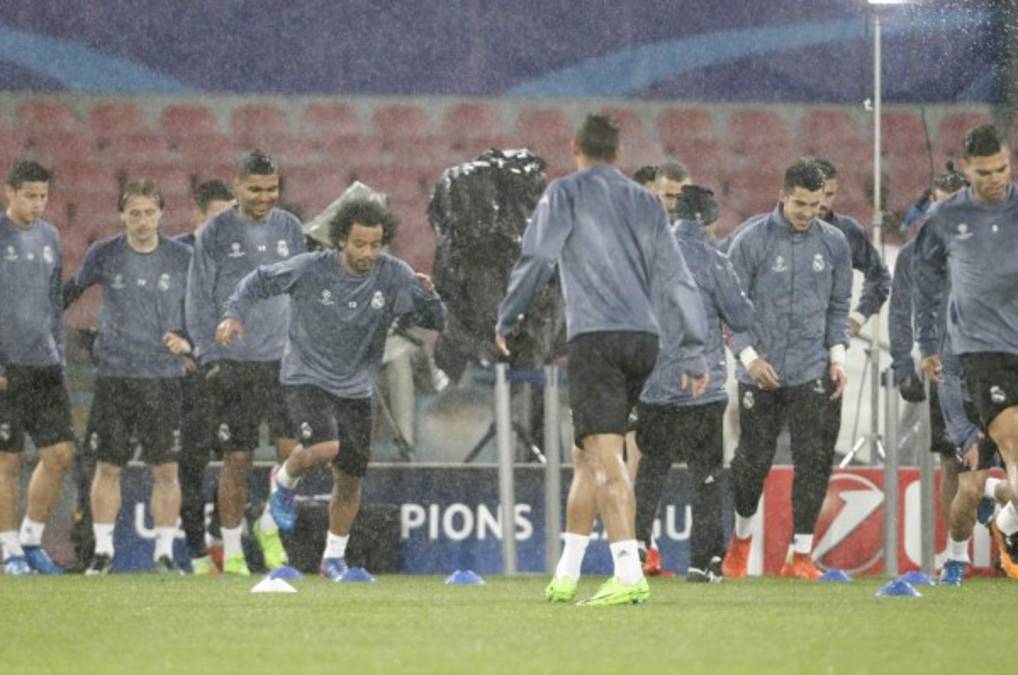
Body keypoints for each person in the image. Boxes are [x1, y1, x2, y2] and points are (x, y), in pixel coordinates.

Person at [495, 113, 709, 606]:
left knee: (608, 458)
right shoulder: (646, 201)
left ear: (575, 148)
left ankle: (628, 572)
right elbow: (676, 275)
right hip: (643, 339)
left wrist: (509, 314)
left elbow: (538, 257)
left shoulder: (565, 193)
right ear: (618, 154)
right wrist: (694, 348)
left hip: (597, 338)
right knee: (587, 456)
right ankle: (567, 572)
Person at [219, 197, 446, 580]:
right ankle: (283, 479)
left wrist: (430, 297)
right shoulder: (311, 268)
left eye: (375, 245)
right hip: (306, 377)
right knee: (326, 447)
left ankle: (333, 558)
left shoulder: (393, 273)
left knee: (351, 477)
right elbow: (259, 280)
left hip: (356, 387)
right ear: (341, 240)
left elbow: (434, 321)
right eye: (359, 244)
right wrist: (234, 314)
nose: (368, 253)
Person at [722, 158, 852, 580]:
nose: (808, 212)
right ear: (782, 196)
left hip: (811, 370)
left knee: (813, 461)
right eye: (800, 204)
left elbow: (838, 307)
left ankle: (801, 556)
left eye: (816, 204)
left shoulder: (834, 243)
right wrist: (750, 359)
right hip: (760, 374)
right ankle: (741, 541)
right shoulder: (750, 242)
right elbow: (729, 311)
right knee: (752, 462)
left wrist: (837, 358)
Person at [185, 150, 305, 576]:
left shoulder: (290, 227)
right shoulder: (215, 233)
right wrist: (208, 356)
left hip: (283, 361)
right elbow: (198, 298)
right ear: (237, 186)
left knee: (298, 453)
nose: (265, 197)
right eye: (255, 189)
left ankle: (268, 521)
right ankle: (233, 550)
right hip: (234, 363)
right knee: (237, 459)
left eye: (272, 189)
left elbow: (301, 287)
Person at [64, 180, 193, 574]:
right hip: (115, 375)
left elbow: (204, 306)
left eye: (149, 212)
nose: (142, 221)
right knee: (108, 467)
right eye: (134, 213)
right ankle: (103, 552)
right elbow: (70, 292)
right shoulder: (104, 253)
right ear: (122, 215)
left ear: (161, 214)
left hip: (163, 378)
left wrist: (188, 340)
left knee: (166, 470)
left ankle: (165, 553)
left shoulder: (182, 257)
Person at [914, 124, 1018, 580]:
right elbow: (923, 282)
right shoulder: (945, 219)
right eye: (984, 173)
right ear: (966, 169)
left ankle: (1004, 511)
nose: (995, 180)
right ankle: (959, 554)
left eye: (1002, 169)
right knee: (994, 465)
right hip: (980, 354)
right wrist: (926, 345)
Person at [634, 185, 754, 583]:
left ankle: (635, 547)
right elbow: (741, 316)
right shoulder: (713, 259)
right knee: (706, 476)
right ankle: (703, 562)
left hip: (654, 383)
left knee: (651, 470)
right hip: (702, 387)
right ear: (710, 219)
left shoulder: (647, 254)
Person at [0, 160, 75, 575]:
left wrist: (59, 352)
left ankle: (30, 540)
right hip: (7, 365)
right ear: (9, 192)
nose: (38, 204)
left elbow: (53, 300)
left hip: (44, 364)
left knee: (60, 454)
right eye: (30, 195)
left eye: (43, 196)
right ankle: (8, 549)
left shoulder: (50, 236)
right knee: (7, 461)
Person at [888, 164, 969, 538]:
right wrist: (903, 365)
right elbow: (899, 312)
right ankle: (956, 554)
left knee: (1008, 458)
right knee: (952, 462)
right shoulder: (912, 255)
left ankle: (1004, 533)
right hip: (944, 371)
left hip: (994, 364)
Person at [176, 179, 235, 574]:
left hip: (231, 373)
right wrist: (179, 343)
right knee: (191, 466)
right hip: (190, 379)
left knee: (237, 457)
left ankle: (219, 539)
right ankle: (197, 550)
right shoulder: (174, 254)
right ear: (197, 216)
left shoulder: (238, 257)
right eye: (216, 218)